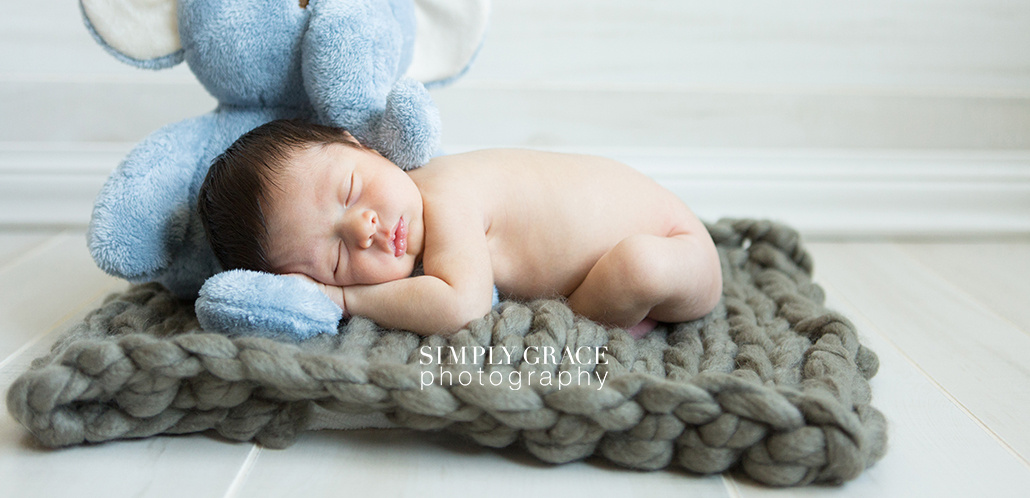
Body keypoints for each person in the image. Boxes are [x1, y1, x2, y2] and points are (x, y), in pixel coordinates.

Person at [197, 119, 722, 337]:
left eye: (352, 189)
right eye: (337, 260)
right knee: (628, 266)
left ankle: (618, 325)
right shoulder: (421, 217)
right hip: (652, 235)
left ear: (360, 144)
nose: (363, 228)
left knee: (637, 266)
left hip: (680, 247)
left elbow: (462, 305)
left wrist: (342, 298)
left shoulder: (444, 193)